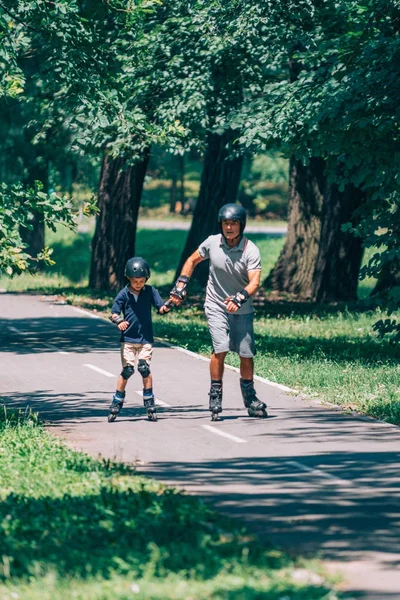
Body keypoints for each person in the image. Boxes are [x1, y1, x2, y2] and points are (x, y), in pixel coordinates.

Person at [169, 203, 267, 420]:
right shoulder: (213, 242)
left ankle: (250, 398)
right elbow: (192, 259)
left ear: (241, 225)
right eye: (225, 223)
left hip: (242, 307)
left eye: (233, 223)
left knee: (246, 354)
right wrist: (181, 283)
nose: (229, 227)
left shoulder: (250, 249)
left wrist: (240, 298)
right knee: (220, 348)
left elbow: (255, 282)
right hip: (215, 304)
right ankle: (215, 395)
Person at [108, 256, 170, 422]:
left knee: (144, 368)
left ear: (146, 279)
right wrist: (119, 321)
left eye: (142, 280)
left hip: (145, 339)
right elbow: (114, 313)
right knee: (127, 370)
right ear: (128, 278)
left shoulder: (150, 291)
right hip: (128, 339)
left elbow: (160, 307)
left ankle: (149, 401)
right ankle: (117, 400)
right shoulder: (124, 294)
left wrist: (168, 306)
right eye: (135, 280)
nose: (138, 284)